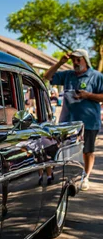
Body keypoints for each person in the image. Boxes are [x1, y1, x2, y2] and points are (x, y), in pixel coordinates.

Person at [44, 49, 103, 191]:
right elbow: (47, 76)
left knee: (87, 151)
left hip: (88, 121)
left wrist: (87, 95)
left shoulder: (96, 76)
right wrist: (60, 62)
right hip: (68, 122)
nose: (75, 63)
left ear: (85, 60)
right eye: (73, 60)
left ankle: (85, 177)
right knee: (68, 151)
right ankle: (69, 177)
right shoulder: (68, 75)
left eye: (78, 60)